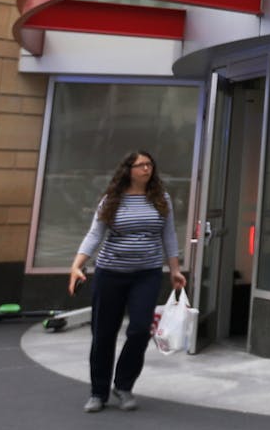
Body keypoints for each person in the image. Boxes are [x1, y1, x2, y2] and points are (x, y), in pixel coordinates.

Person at [67, 150, 186, 413]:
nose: (147, 169)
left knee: (140, 330)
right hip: (110, 274)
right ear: (128, 170)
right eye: (141, 165)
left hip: (147, 274)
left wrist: (175, 270)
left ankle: (123, 385)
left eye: (150, 165)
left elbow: (169, 237)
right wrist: (77, 265)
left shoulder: (161, 199)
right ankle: (98, 392)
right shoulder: (112, 199)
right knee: (103, 333)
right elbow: (94, 234)